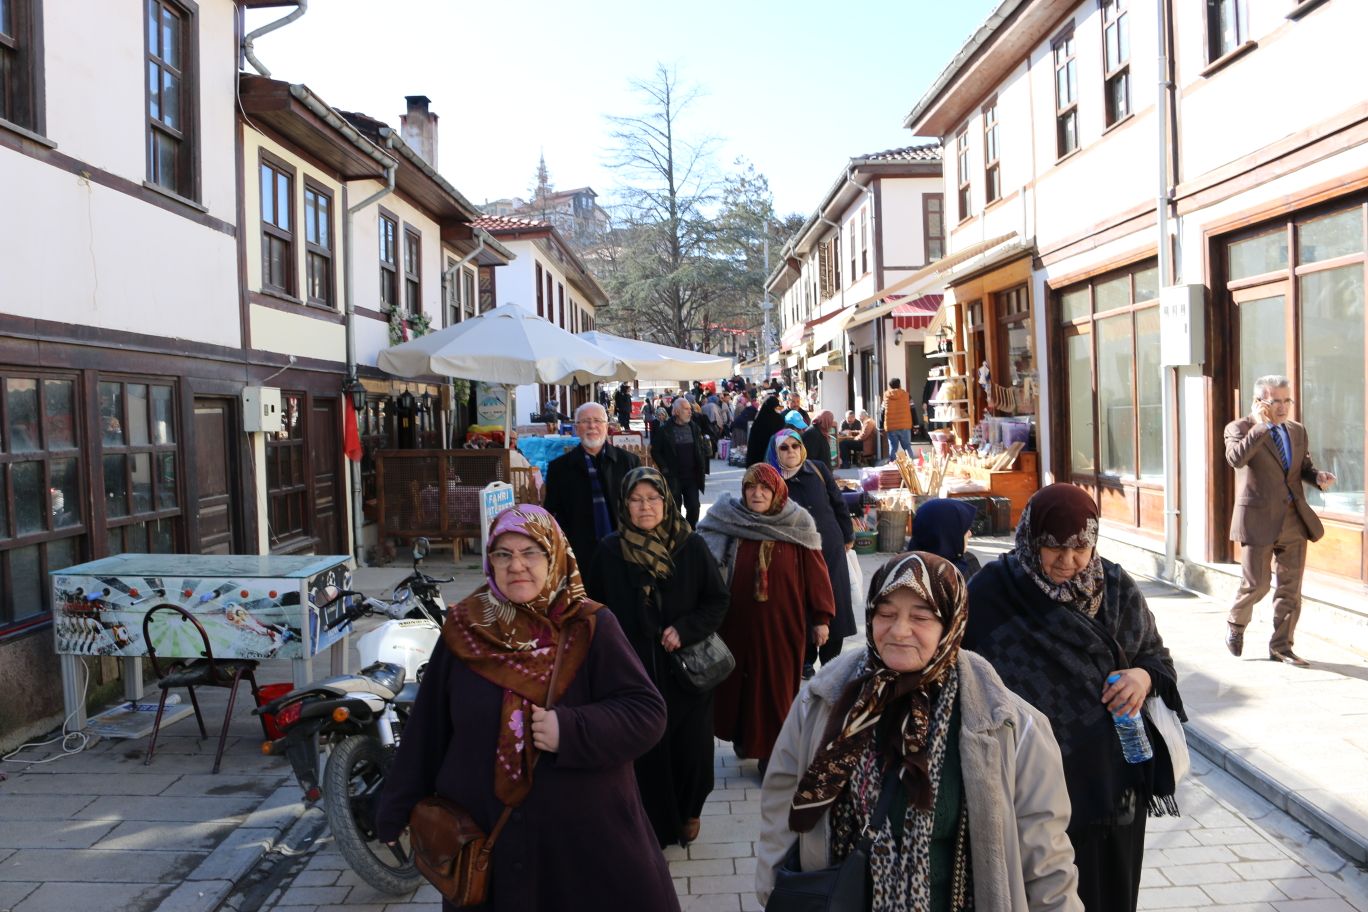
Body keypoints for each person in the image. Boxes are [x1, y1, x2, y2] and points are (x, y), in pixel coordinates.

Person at [374, 506, 680, 911]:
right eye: (503, 554)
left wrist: (571, 729)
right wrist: (395, 806)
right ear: (490, 561)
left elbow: (647, 713)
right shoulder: (464, 630)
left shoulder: (590, 626)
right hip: (486, 842)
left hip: (583, 847)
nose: (516, 565)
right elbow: (428, 729)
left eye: (531, 552)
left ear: (554, 556)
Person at [758, 551, 1083, 912]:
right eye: (886, 614)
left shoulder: (1005, 723)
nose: (898, 630)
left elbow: (1046, 854)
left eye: (921, 616)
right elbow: (780, 807)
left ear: (951, 624)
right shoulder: (822, 703)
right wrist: (774, 891)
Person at [965, 483, 1184, 912]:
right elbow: (965, 675)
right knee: (1045, 892)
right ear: (1031, 540)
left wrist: (1142, 677)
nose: (1069, 562)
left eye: (1081, 548)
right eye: (1054, 549)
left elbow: (1159, 661)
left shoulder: (1117, 587)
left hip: (1113, 785)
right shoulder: (994, 592)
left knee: (1115, 894)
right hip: (1030, 786)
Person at [585, 467, 730, 848]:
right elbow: (590, 609)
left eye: (653, 499)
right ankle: (653, 826)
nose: (645, 507)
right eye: (636, 499)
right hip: (633, 673)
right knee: (646, 753)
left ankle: (689, 811)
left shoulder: (690, 546)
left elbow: (717, 600)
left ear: (666, 502)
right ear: (625, 504)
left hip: (687, 673)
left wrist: (685, 628)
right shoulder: (610, 551)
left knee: (692, 751)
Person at [697, 464, 836, 772]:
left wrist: (822, 618)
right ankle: (746, 739)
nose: (756, 494)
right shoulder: (728, 520)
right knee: (740, 687)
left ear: (776, 493)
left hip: (782, 627)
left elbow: (817, 575)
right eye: (750, 488)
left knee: (776, 689)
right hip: (735, 626)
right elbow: (705, 565)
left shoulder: (796, 523)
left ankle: (772, 756)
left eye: (764, 489)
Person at [1224, 374, 1334, 666]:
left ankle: (1281, 647)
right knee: (1257, 585)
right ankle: (1236, 622)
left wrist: (1317, 477)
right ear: (1260, 402)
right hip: (1258, 519)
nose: (1284, 407)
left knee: (1290, 590)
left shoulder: (1296, 431)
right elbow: (1236, 459)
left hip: (1293, 520)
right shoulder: (1239, 428)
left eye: (1288, 400)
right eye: (1276, 401)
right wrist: (1261, 427)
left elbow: (1302, 468)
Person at [766, 429, 855, 675]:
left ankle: (831, 660)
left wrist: (848, 535)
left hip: (829, 547)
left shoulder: (817, 468)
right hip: (796, 553)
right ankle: (806, 659)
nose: (791, 451)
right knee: (801, 604)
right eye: (784, 448)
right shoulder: (772, 479)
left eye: (795, 446)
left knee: (834, 601)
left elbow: (837, 501)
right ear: (776, 451)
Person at [543, 402, 639, 568]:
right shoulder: (559, 469)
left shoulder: (629, 462)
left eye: (597, 420)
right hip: (579, 554)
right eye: (585, 421)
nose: (592, 426)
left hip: (625, 549)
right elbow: (552, 513)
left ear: (607, 426)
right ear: (577, 428)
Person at [651, 397, 709, 526]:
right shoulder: (664, 430)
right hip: (673, 477)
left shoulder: (694, 427)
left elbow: (699, 448)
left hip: (692, 477)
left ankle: (690, 531)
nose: (690, 412)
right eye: (686, 409)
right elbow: (655, 451)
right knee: (674, 509)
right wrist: (664, 468)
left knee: (694, 507)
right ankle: (677, 533)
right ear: (676, 411)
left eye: (690, 409)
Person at [910, 497, 982, 582]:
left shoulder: (969, 561)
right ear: (947, 533)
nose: (970, 534)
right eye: (964, 529)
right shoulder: (913, 580)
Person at [746, 394, 786, 467]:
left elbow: (752, 441)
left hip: (757, 458)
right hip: (773, 458)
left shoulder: (759, 419)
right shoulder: (778, 419)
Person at [882, 378, 914, 460]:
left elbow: (882, 411)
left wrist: (880, 426)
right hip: (905, 426)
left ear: (890, 386)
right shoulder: (907, 395)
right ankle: (911, 465)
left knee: (893, 448)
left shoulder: (886, 396)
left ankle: (892, 466)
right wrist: (916, 425)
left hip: (891, 427)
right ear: (900, 385)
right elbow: (913, 409)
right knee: (907, 447)